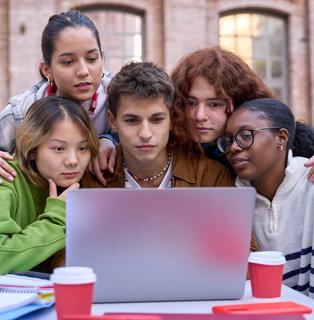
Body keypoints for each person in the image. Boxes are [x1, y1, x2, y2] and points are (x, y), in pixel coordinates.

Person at [216, 98, 314, 300]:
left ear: (281, 138)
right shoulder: (230, 201)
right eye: (228, 141)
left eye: (246, 135)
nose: (233, 148)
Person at [170, 46, 314, 182]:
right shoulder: (171, 147)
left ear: (241, 101)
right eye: (191, 103)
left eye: (214, 104)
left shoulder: (297, 140)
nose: (200, 116)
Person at [0, 9, 114, 185]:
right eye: (68, 62)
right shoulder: (20, 111)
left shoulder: (118, 96)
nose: (84, 71)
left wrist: (110, 139)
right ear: (47, 69)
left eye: (92, 58)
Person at [82, 61, 234, 189]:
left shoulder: (212, 177)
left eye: (156, 119)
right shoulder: (91, 180)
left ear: (172, 118)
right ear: (113, 121)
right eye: (131, 120)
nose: (145, 134)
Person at [0, 96, 99, 274]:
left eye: (82, 148)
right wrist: (56, 217)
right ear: (32, 150)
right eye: (59, 149)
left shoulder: (89, 182)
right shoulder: (6, 179)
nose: (73, 161)